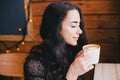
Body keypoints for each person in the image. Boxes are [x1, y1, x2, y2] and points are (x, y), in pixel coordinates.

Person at [24, 2, 94, 80]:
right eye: (73, 26)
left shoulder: (72, 51)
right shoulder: (35, 63)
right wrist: (72, 73)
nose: (80, 31)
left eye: (79, 25)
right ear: (55, 28)